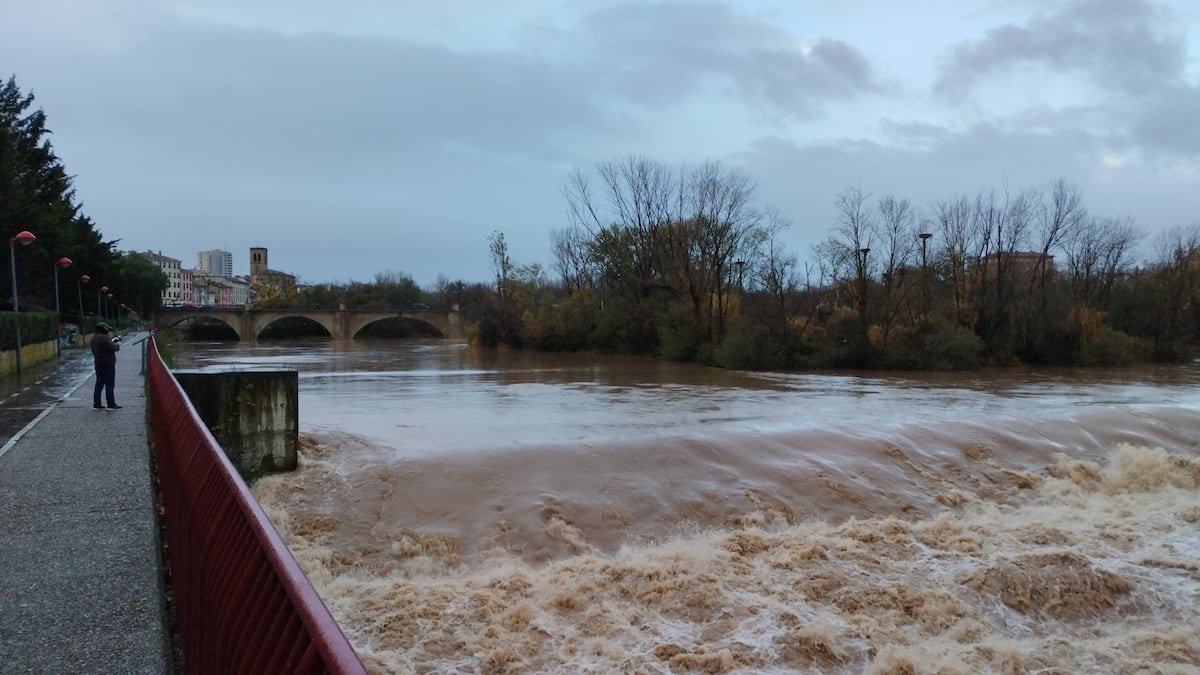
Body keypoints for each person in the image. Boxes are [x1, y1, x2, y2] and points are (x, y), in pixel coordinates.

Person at [89, 322, 122, 410]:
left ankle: (97, 404)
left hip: (98, 363)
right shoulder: (104, 338)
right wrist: (117, 345)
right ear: (104, 329)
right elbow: (114, 348)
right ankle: (111, 404)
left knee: (99, 383)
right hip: (108, 364)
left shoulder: (93, 338)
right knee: (109, 384)